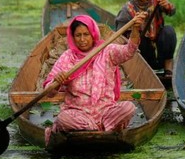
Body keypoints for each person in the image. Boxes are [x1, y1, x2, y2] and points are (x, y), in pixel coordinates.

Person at [42, 12, 147, 145]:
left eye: (86, 34)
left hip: (106, 112)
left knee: (129, 107)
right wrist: (57, 82)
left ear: (93, 34)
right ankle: (98, 130)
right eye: (78, 35)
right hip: (78, 115)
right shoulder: (67, 57)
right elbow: (49, 92)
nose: (82, 39)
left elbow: (129, 51)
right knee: (63, 118)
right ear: (72, 37)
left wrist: (136, 29)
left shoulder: (107, 51)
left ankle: (98, 127)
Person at [115, 0, 177, 79]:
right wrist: (135, 27)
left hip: (158, 46)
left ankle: (168, 68)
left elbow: (171, 11)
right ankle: (143, 71)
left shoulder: (157, 0)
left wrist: (167, 5)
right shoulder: (127, 9)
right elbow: (120, 36)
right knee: (139, 39)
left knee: (169, 31)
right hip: (141, 50)